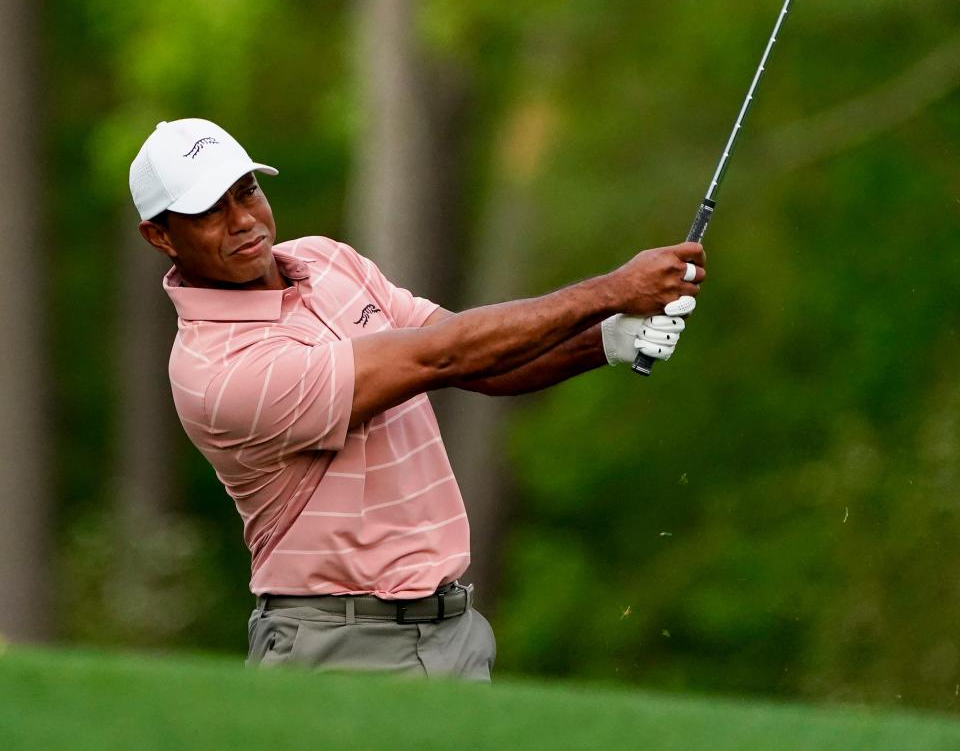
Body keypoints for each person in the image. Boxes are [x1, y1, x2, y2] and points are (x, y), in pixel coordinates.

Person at [130, 117, 706, 681]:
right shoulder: (218, 371)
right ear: (160, 235)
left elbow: (478, 359)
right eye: (210, 210)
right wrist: (612, 290)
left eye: (247, 191)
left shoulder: (327, 261)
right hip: (341, 648)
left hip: (451, 631)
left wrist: (605, 341)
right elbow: (441, 356)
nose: (243, 220)